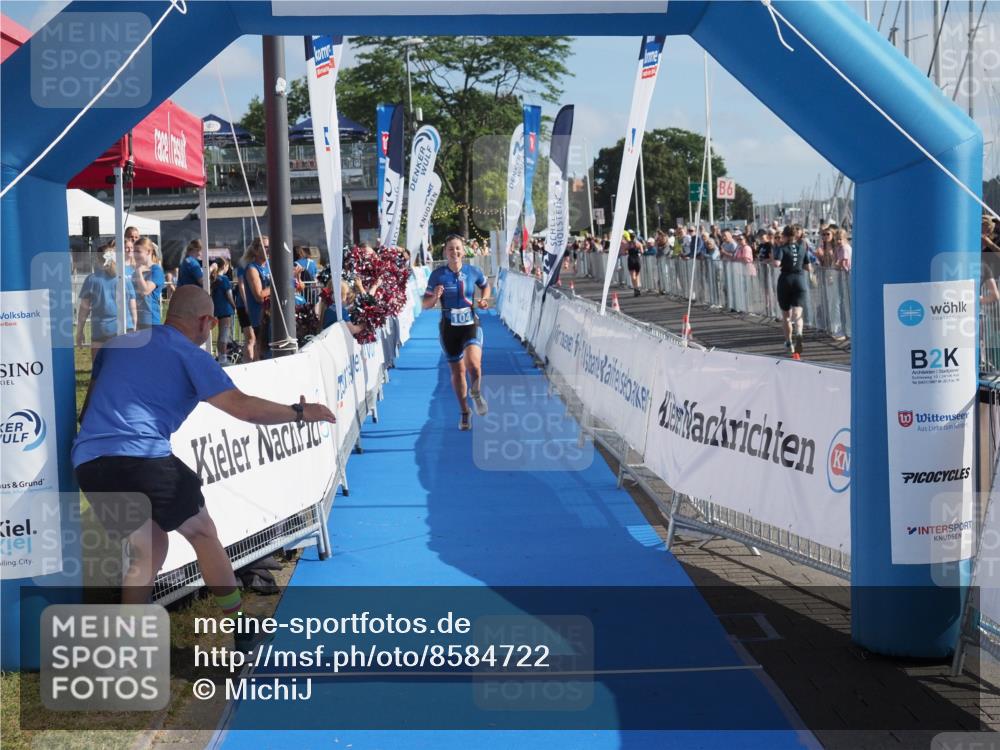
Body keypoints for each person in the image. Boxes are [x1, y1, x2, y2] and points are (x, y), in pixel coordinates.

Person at [72, 286, 335, 650]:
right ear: (204, 322)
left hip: (89, 463)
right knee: (203, 533)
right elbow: (243, 408)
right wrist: (300, 412)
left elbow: (89, 406)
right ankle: (241, 628)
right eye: (210, 322)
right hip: (141, 456)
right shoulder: (189, 355)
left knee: (149, 546)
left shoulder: (122, 343)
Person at [422, 235, 491, 431]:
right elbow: (425, 305)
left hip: (470, 324)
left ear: (463, 251)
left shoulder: (473, 271)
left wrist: (484, 300)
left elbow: (485, 286)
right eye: (451, 249)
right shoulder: (437, 275)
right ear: (445, 252)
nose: (455, 252)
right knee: (458, 372)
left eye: (458, 248)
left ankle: (476, 393)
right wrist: (434, 296)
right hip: (449, 329)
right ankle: (464, 411)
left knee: (474, 364)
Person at [76, 245, 137, 361]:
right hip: (124, 328)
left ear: (98, 259)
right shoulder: (124, 279)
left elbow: (84, 309)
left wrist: (79, 331)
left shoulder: (91, 279)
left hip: (101, 331)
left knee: (99, 371)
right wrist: (134, 326)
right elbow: (132, 305)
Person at [772, 224, 811, 359]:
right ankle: (799, 333)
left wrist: (776, 256)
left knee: (786, 315)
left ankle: (789, 342)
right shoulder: (802, 247)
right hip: (799, 280)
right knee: (798, 314)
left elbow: (776, 264)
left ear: (784, 236)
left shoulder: (781, 248)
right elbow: (808, 266)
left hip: (786, 280)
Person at [243, 237, 271, 361]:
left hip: (272, 314)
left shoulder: (270, 265)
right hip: (260, 315)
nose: (268, 249)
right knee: (261, 348)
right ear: (255, 250)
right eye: (265, 247)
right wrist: (278, 284)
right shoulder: (252, 268)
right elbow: (259, 296)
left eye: (269, 246)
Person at [131, 237, 165, 329]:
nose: (135, 255)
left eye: (138, 251)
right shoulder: (135, 272)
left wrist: (138, 272)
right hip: (136, 319)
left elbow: (145, 291)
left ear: (149, 252)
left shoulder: (156, 270)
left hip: (151, 320)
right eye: (134, 251)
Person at [211, 258, 237, 363]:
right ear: (224, 266)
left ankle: (221, 355)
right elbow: (229, 295)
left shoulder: (214, 279)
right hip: (226, 310)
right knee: (224, 334)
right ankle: (223, 358)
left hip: (218, 310)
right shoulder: (225, 279)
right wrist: (234, 306)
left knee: (221, 333)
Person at [624, 231, 642, 296]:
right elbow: (642, 251)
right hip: (637, 259)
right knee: (637, 275)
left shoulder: (628, 244)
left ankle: (635, 288)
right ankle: (637, 287)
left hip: (631, 259)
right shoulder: (639, 244)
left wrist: (627, 251)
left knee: (632, 276)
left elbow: (624, 252)